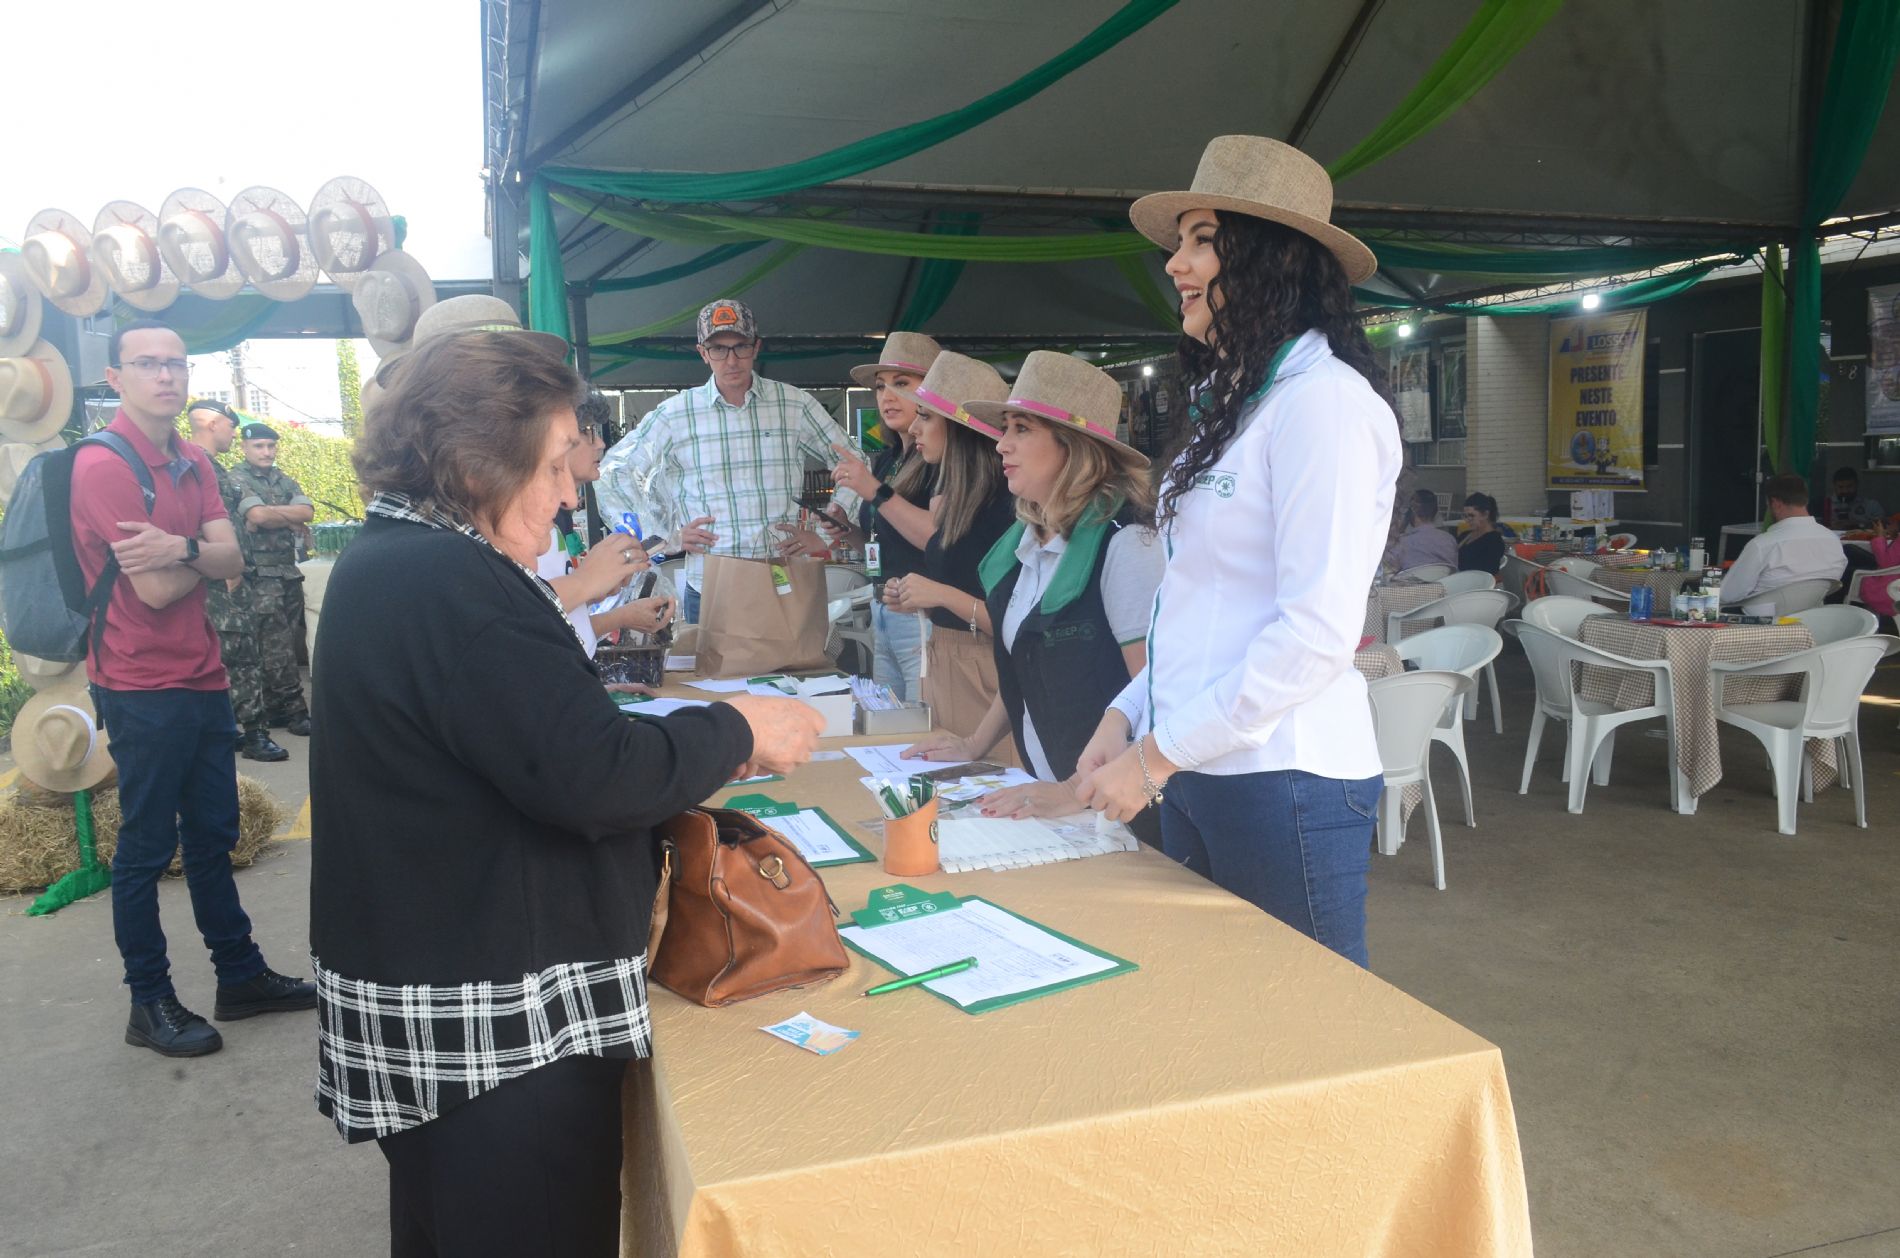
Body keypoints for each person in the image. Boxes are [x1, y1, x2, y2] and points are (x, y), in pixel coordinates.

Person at [309, 329, 825, 1255]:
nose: (569, 491)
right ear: (479, 460)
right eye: (553, 464)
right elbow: (591, 774)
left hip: (440, 992)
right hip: (495, 1033)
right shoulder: (449, 581)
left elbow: (531, 741)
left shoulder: (403, 560)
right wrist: (737, 729)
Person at [1072, 135, 1401, 967]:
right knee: (1219, 1005)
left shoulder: (1325, 406)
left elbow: (1314, 636)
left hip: (1284, 779)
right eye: (1179, 241)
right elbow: (1196, 610)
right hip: (1199, 766)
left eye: (1202, 240)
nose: (1175, 263)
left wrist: (1152, 758)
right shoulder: (1237, 404)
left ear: (1269, 260)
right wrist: (1125, 718)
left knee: (1309, 1018)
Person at [72, 320, 316, 1057]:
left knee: (212, 836)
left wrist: (184, 549)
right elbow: (152, 592)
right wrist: (204, 556)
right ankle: (149, 1002)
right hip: (139, 683)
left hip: (203, 675)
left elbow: (232, 557)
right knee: (146, 849)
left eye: (176, 363)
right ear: (115, 377)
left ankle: (238, 977)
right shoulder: (103, 464)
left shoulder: (192, 459)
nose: (165, 376)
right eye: (147, 363)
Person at [901, 352, 1163, 830]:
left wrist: (1073, 789)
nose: (1002, 444)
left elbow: (1152, 693)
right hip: (1057, 807)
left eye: (1022, 429)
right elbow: (1026, 666)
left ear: (1074, 447)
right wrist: (974, 744)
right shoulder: (1024, 543)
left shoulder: (1127, 543)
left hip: (1120, 818)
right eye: (1006, 429)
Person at [594, 298, 856, 622]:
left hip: (780, 580)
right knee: (710, 660)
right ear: (703, 353)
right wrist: (666, 537)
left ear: (756, 347)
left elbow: (854, 461)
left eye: (740, 347)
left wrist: (825, 532)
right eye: (718, 349)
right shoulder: (677, 413)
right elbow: (614, 472)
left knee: (788, 657)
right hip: (710, 586)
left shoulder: (793, 405)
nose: (731, 360)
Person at [874, 352, 1016, 746]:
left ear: (960, 426)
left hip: (983, 677)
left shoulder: (1004, 507)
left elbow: (1017, 625)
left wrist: (939, 594)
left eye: (926, 416)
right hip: (943, 664)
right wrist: (917, 597)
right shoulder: (962, 498)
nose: (914, 427)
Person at [824, 333, 943, 702]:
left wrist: (874, 490)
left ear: (934, 391)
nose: (887, 396)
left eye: (902, 383)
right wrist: (847, 531)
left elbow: (937, 540)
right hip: (883, 608)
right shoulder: (888, 460)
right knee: (891, 719)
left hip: (922, 614)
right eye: (880, 386)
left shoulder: (942, 459)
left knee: (922, 721)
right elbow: (884, 542)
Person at [183, 399, 287, 763]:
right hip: (221, 578)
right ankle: (254, 733)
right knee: (240, 654)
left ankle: (232, 729)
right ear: (213, 424)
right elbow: (196, 521)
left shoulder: (206, 465)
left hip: (229, 572)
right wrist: (225, 568)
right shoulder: (196, 465)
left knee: (234, 652)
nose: (233, 432)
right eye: (231, 425)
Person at [537, 393, 677, 648]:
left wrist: (599, 589)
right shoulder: (533, 525)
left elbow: (558, 615)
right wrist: (593, 586)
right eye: (589, 432)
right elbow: (530, 610)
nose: (600, 443)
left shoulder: (558, 519)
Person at [226, 421, 314, 751]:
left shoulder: (283, 479)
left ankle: (274, 707)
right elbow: (257, 518)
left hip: (287, 572)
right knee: (274, 645)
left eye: (270, 446)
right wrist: (286, 516)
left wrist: (270, 512)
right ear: (244, 448)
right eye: (259, 446)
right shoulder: (236, 478)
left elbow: (307, 512)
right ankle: (295, 710)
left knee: (285, 642)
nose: (266, 452)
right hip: (259, 574)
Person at [1721, 473, 1848, 616]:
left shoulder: (1762, 545)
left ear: (1776, 504)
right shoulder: (1833, 540)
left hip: (1760, 623)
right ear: (1804, 500)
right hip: (1811, 620)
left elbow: (1727, 594)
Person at [1389, 487, 1458, 572]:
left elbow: (1389, 571)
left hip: (1410, 580)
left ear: (1412, 511)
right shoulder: (1450, 540)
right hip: (1444, 580)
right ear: (1435, 512)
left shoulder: (1401, 543)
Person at [1457, 492, 1507, 574]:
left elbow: (1487, 572)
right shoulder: (1465, 535)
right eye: (1465, 516)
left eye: (1471, 516)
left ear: (1485, 514)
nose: (1467, 520)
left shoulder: (1494, 541)